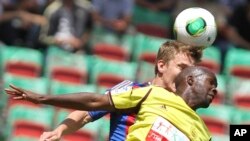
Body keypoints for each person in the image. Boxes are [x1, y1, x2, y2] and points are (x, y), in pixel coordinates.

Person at [39, 40, 203, 141]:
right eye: (182, 67)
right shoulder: (131, 90)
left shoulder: (184, 110)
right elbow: (85, 114)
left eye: (191, 70)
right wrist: (59, 130)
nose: (188, 75)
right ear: (161, 65)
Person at [5, 66, 217, 141]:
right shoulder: (149, 93)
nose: (215, 90)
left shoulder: (204, 133)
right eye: (211, 83)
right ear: (189, 80)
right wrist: (42, 98)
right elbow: (95, 102)